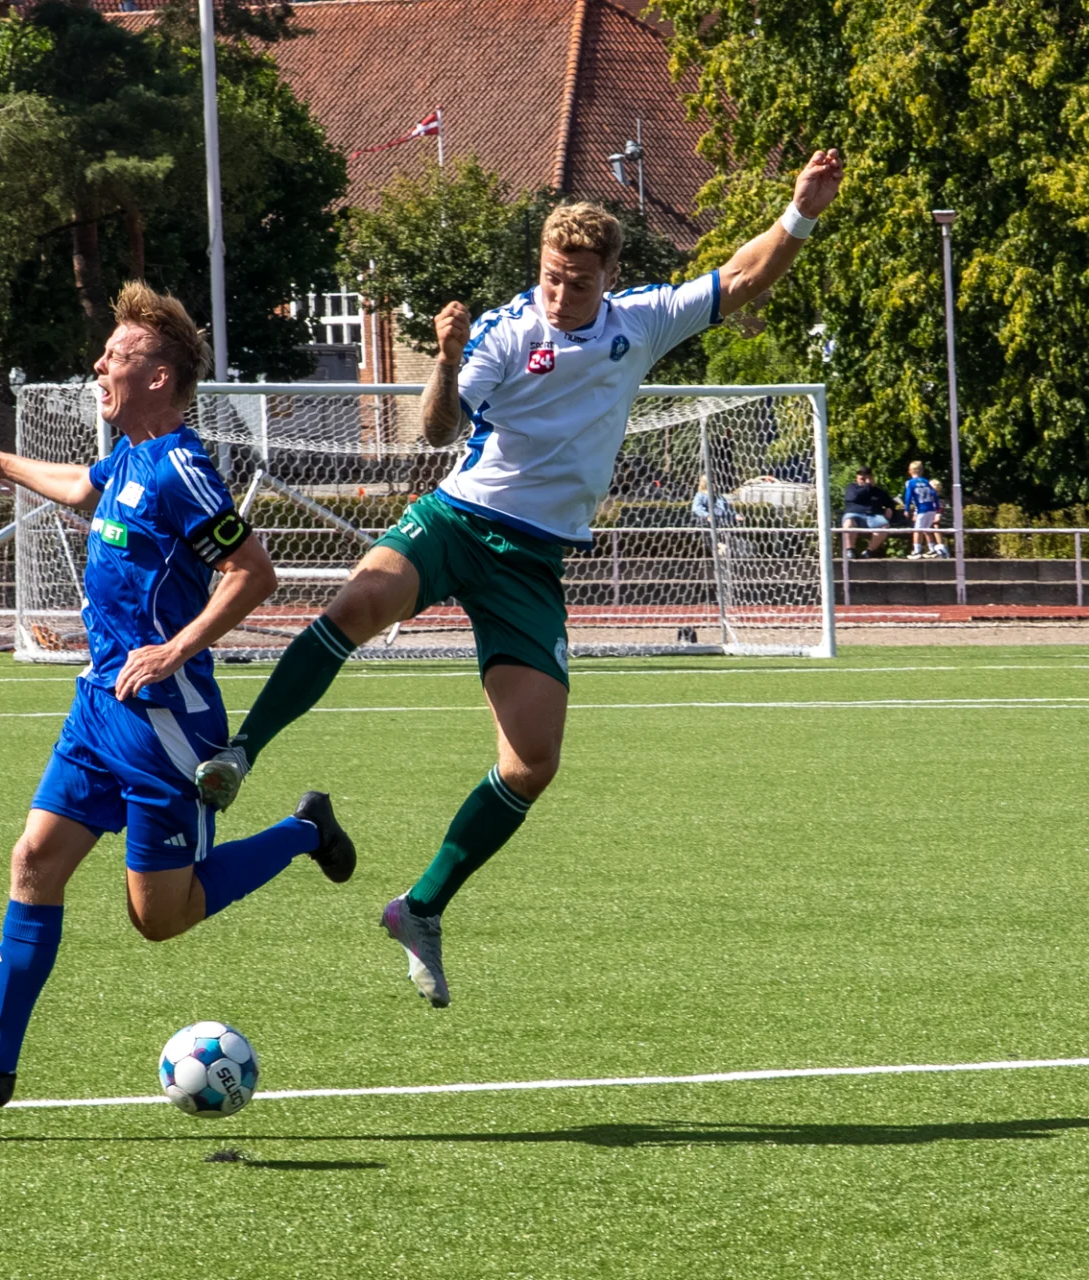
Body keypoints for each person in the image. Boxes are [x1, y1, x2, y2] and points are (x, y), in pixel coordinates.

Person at [192, 150, 847, 1007]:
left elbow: (743, 275)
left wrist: (800, 211)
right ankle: (242, 752)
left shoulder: (640, 321)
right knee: (356, 604)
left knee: (532, 763)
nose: (560, 292)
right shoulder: (507, 332)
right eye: (549, 276)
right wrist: (445, 355)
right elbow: (435, 433)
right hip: (459, 521)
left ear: (610, 276)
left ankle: (420, 907)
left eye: (577, 281)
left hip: (533, 560)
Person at [0, 283, 356, 1108]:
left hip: (163, 727)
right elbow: (82, 487)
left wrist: (175, 648)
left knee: (160, 918)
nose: (99, 364)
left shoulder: (183, 467)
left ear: (159, 374)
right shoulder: (132, 457)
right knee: (34, 860)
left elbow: (253, 573)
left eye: (117, 355)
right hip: (97, 709)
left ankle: (301, 831)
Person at [840, 467, 897, 558]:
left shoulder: (878, 491)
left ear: (871, 477)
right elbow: (855, 497)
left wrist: (890, 508)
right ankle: (850, 550)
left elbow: (890, 502)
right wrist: (867, 486)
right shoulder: (852, 488)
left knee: (884, 526)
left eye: (865, 476)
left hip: (873, 516)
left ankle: (868, 552)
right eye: (860, 475)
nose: (862, 477)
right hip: (855, 515)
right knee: (848, 523)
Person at [902, 461, 946, 558]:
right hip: (931, 509)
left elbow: (908, 496)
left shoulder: (910, 483)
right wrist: (937, 508)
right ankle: (932, 549)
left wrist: (906, 508)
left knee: (917, 530)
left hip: (922, 509)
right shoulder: (926, 481)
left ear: (910, 471)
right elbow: (933, 494)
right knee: (926, 529)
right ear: (921, 471)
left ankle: (917, 551)